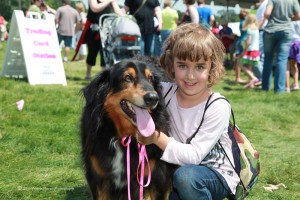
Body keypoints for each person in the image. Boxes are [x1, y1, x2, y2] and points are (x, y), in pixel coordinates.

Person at [138, 23, 239, 200]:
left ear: (211, 68)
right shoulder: (165, 92)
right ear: (171, 65)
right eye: (182, 65)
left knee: (186, 178)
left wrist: (155, 137)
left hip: (215, 174)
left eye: (200, 67)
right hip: (178, 170)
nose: (190, 76)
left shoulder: (217, 106)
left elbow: (193, 156)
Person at [262, 0, 300, 93]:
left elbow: (267, 13)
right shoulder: (293, 1)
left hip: (270, 30)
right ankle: (279, 89)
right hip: (286, 31)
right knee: (282, 60)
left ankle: (265, 87)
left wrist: (274, 19)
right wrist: (289, 19)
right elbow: (298, 16)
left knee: (268, 59)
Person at [83, 0, 123, 80]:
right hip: (93, 30)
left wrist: (123, 16)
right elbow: (95, 8)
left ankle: (104, 76)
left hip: (106, 31)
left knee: (105, 54)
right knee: (92, 53)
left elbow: (117, 11)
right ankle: (88, 73)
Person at [236, 13, 261, 88]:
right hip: (256, 50)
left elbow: (248, 42)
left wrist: (244, 51)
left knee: (240, 65)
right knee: (249, 66)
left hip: (249, 50)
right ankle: (251, 84)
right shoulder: (256, 29)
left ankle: (255, 79)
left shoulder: (249, 29)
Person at [234, 9, 249, 83]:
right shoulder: (244, 23)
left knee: (239, 60)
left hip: (240, 40)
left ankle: (238, 77)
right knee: (240, 60)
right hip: (243, 42)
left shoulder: (241, 22)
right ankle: (238, 78)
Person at [286, 21, 300, 92]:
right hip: (299, 44)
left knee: (287, 66)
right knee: (294, 65)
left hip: (290, 44)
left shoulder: (288, 22)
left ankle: (287, 87)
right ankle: (295, 84)